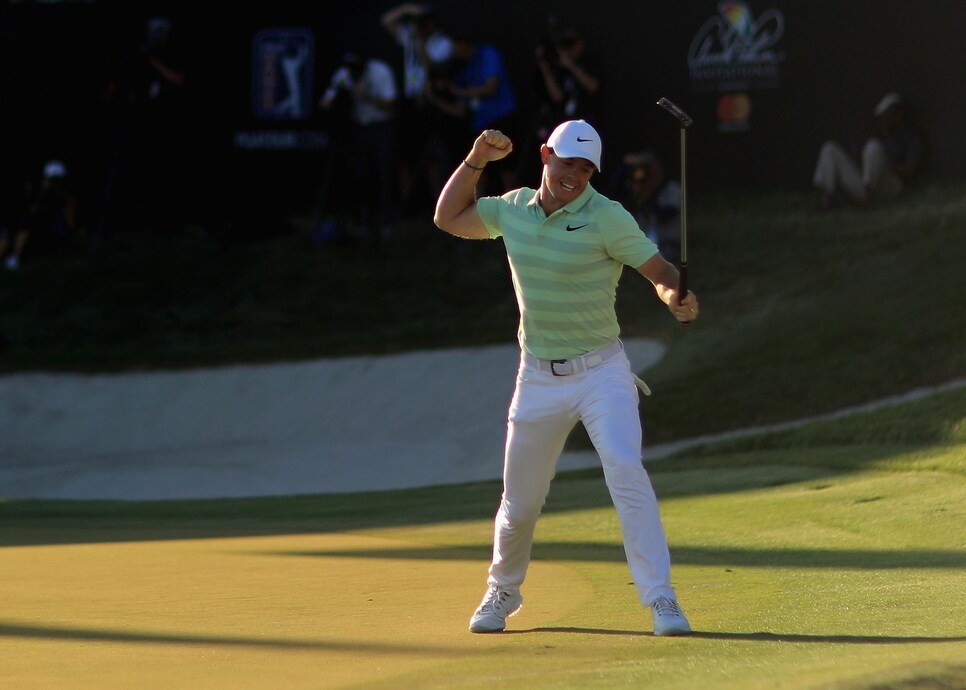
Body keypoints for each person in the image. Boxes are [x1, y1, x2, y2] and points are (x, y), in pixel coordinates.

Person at [433, 120, 699, 636]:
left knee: (626, 469)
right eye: (566, 163)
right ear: (544, 155)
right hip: (537, 377)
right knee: (520, 500)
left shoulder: (607, 217)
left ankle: (661, 599)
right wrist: (475, 158)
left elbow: (662, 274)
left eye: (584, 168)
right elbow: (448, 217)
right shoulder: (511, 209)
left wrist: (677, 301)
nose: (573, 176)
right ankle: (503, 589)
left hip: (602, 372)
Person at [319, 51, 399, 246]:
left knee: (384, 174)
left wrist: (368, 96)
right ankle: (363, 222)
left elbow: (392, 105)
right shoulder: (343, 75)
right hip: (359, 128)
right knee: (361, 174)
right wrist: (329, 102)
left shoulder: (380, 72)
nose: (354, 74)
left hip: (382, 127)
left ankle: (388, 222)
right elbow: (328, 97)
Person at [381, 3, 453, 215]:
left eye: (422, 23)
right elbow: (386, 22)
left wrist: (421, 42)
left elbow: (431, 67)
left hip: (431, 103)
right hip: (410, 102)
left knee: (433, 157)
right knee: (405, 155)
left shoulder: (442, 43)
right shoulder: (409, 37)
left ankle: (437, 205)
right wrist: (405, 10)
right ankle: (407, 205)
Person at [431, 35, 518, 196]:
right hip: (479, 123)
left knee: (506, 165)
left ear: (462, 43)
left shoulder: (487, 54)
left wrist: (457, 91)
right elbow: (459, 108)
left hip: (501, 116)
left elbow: (491, 88)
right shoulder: (461, 66)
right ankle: (476, 210)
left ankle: (512, 207)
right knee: (479, 168)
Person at [812, 92, 923, 209]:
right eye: (882, 117)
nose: (884, 121)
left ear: (898, 115)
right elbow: (868, 169)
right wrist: (860, 158)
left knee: (873, 146)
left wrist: (884, 161)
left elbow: (908, 171)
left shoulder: (911, 138)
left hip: (890, 188)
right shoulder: (881, 138)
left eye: (887, 116)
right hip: (867, 189)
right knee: (830, 148)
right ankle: (827, 198)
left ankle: (867, 198)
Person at [1, 160, 77, 270]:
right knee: (14, 226)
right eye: (50, 180)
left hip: (54, 230)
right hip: (36, 226)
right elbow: (32, 211)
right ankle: (9, 256)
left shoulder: (66, 199)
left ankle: (15, 257)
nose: (52, 184)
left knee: (25, 226)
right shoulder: (38, 194)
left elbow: (70, 224)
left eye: (55, 181)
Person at [609, 150, 682, 264]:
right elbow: (613, 194)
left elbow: (663, 216)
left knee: (663, 257)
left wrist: (648, 193)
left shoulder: (673, 190)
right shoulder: (633, 192)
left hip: (666, 244)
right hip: (638, 245)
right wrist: (624, 166)